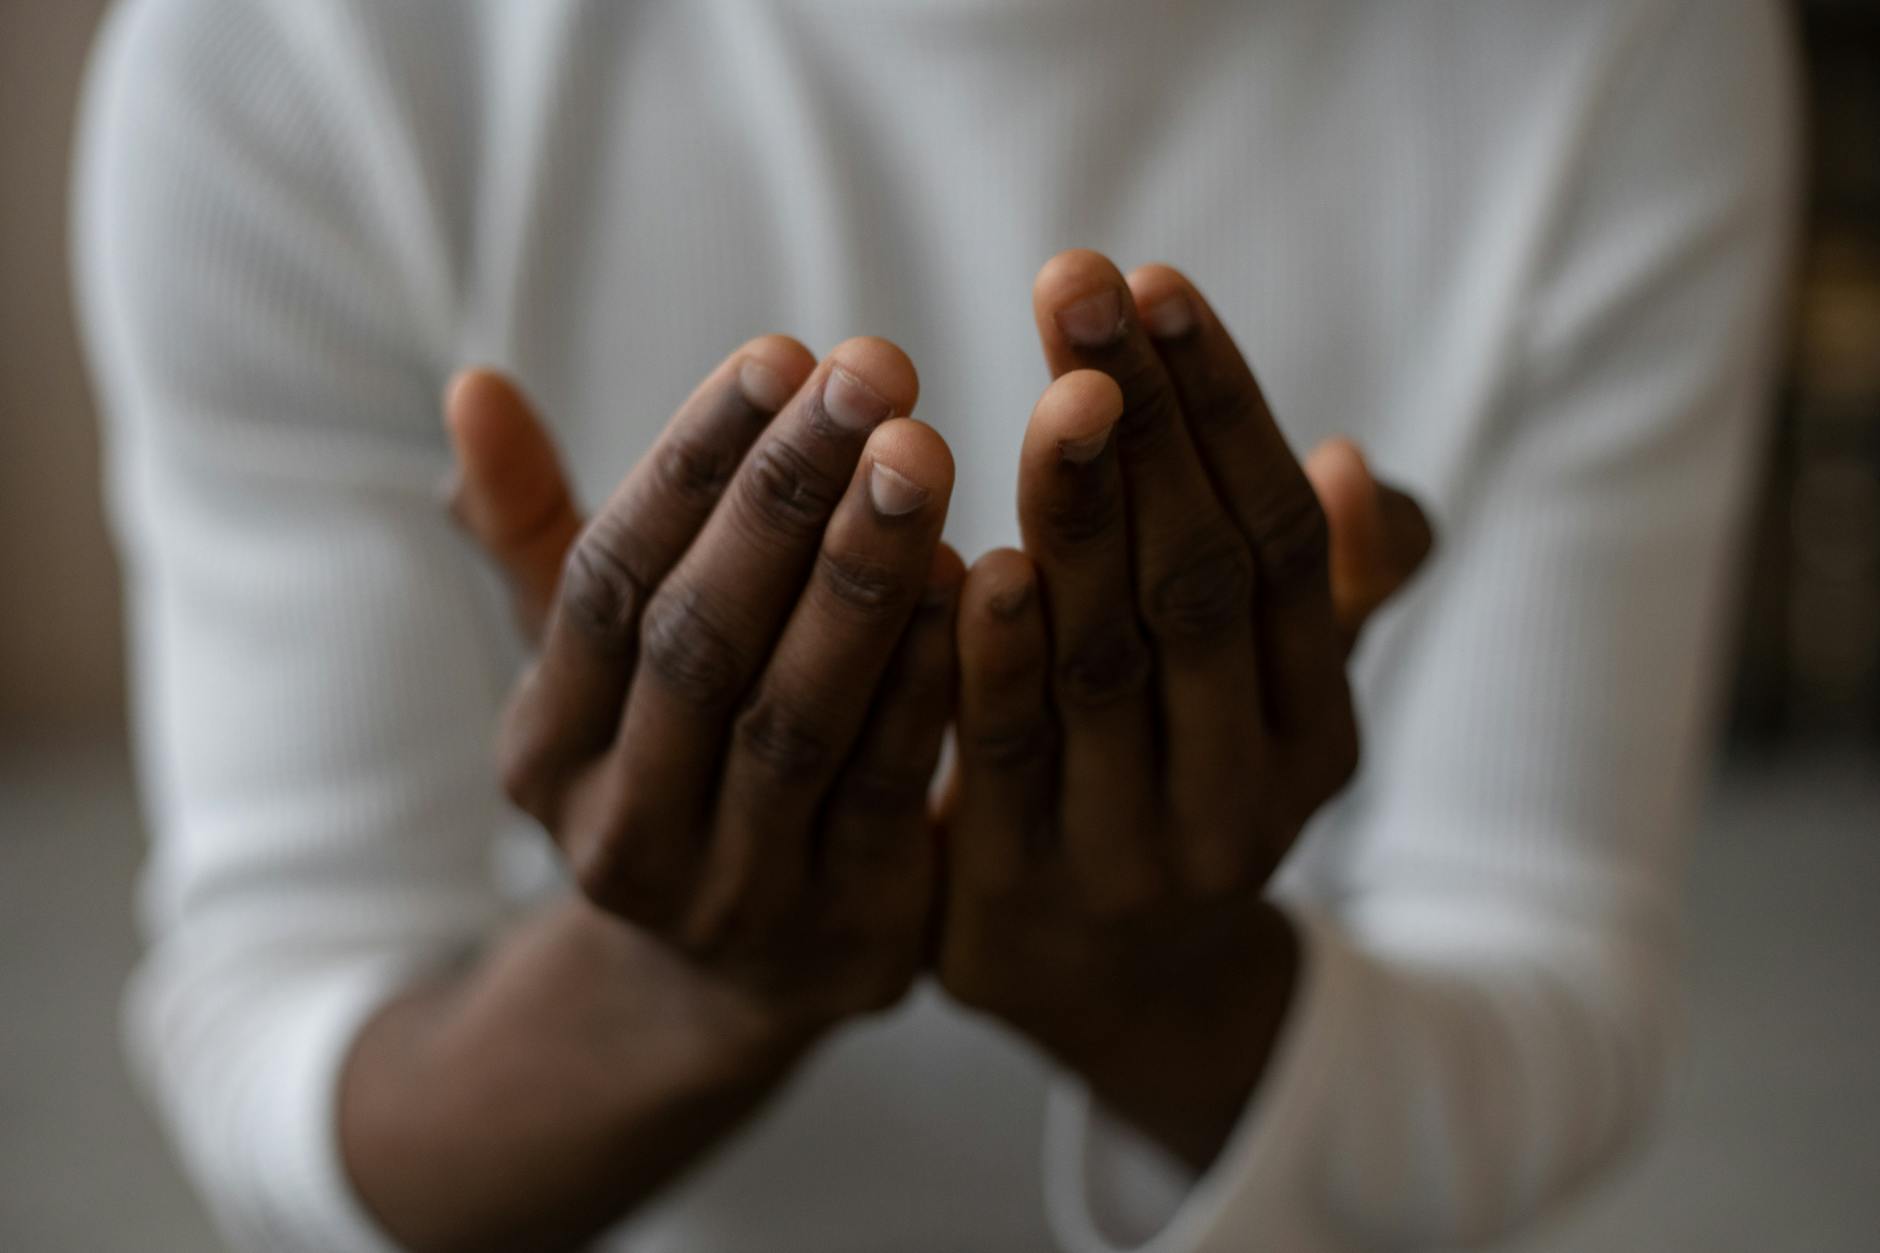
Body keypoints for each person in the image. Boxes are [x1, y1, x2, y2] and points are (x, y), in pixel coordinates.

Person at [73, 1, 1797, 1250]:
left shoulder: (1619, 48)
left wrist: (1148, 979)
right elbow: (286, 1065)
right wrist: (667, 987)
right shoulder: (297, 51)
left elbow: (1550, 1011)